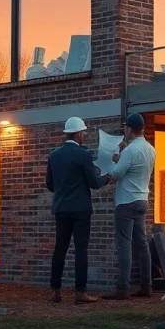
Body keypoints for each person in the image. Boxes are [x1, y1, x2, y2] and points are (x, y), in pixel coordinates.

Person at [46, 116, 104, 304]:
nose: (85, 135)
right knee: (81, 249)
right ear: (78, 133)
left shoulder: (54, 155)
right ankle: (80, 292)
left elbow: (50, 185)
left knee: (59, 249)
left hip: (61, 209)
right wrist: (107, 178)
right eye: (84, 132)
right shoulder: (83, 155)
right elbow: (94, 184)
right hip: (80, 210)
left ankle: (55, 291)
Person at [101, 113, 157, 299]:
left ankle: (122, 288)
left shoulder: (129, 151)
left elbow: (116, 174)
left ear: (130, 129)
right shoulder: (150, 149)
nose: (124, 130)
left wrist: (114, 161)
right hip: (142, 199)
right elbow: (135, 167)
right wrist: (123, 157)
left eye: (126, 127)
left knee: (124, 244)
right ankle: (146, 286)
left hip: (126, 201)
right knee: (142, 244)